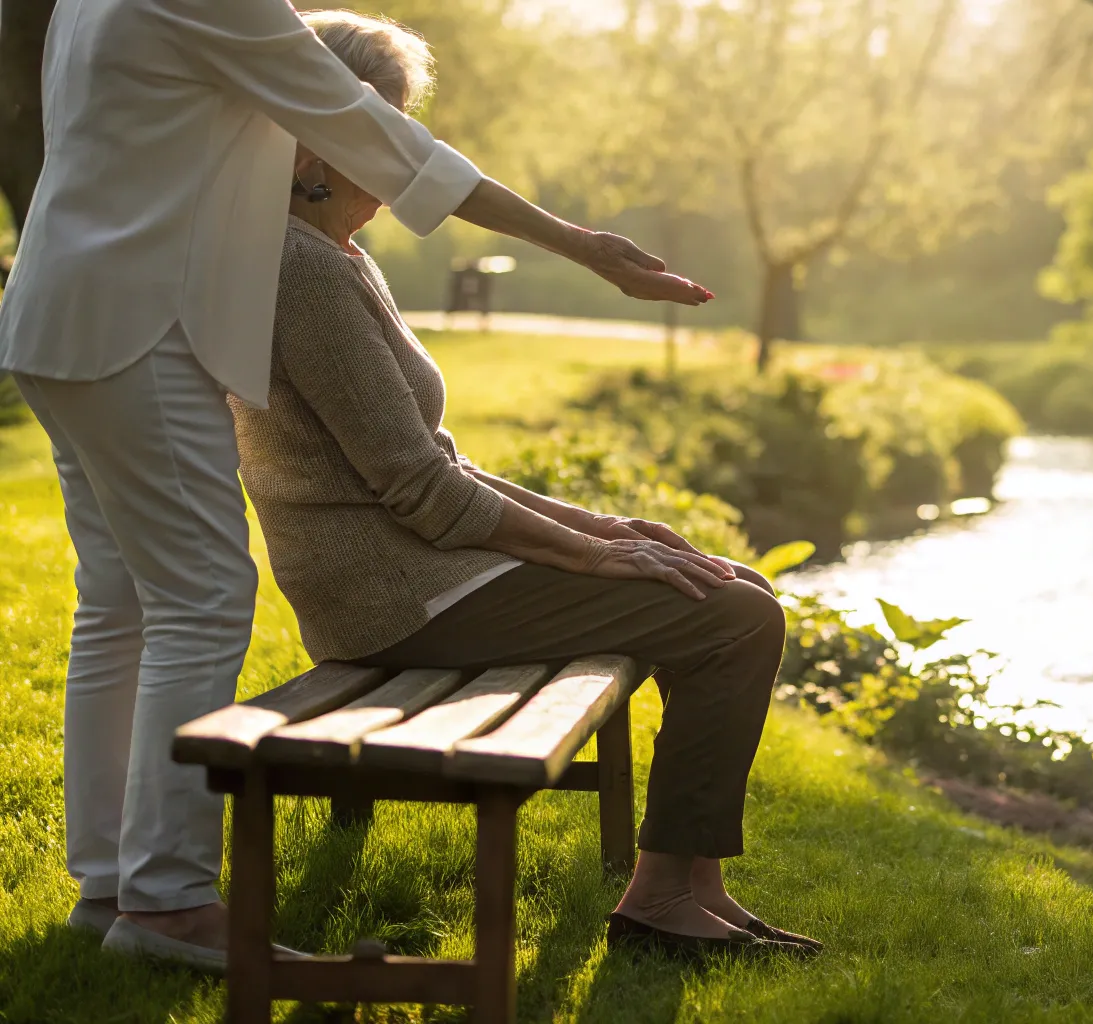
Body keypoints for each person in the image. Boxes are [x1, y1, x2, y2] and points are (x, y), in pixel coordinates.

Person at [0, 0, 712, 971]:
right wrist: (584, 246)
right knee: (199, 601)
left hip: (59, 308)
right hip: (140, 319)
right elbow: (376, 135)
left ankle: (111, 888)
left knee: (118, 604)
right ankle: (167, 902)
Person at [229, 12, 820, 964]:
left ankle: (693, 886)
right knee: (731, 618)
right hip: (395, 598)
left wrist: (612, 526)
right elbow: (423, 493)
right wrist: (597, 554)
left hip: (428, 573)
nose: (399, 150)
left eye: (402, 125)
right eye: (379, 124)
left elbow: (438, 462)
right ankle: (663, 899)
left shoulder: (338, 256)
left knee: (729, 590)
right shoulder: (301, 270)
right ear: (308, 129)